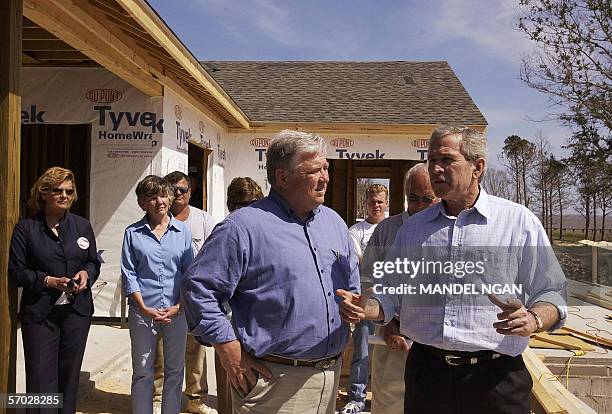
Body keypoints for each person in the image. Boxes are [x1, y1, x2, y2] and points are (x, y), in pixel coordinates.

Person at [338, 126, 567, 414]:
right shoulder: (414, 230)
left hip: (496, 379)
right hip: (427, 376)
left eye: (446, 160)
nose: (435, 168)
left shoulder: (517, 222)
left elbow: (552, 292)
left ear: (477, 167)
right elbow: (389, 294)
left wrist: (534, 318)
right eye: (432, 159)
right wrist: (366, 307)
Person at [181, 130, 360, 414]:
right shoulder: (242, 228)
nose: (325, 177)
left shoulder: (335, 223)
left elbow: (352, 283)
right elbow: (198, 289)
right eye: (314, 170)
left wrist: (354, 304)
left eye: (326, 168)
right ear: (283, 177)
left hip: (329, 378)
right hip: (273, 382)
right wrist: (228, 347)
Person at [9, 166, 100, 414]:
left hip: (76, 312)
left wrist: (86, 275)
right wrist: (48, 280)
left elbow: (92, 262)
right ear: (44, 192)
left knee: (68, 376)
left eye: (69, 191)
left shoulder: (82, 226)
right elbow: (17, 272)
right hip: (40, 313)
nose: (64, 196)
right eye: (58, 190)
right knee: (40, 378)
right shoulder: (25, 228)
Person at [363, 163, 438, 414]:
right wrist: (389, 325)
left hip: (436, 349)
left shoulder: (450, 230)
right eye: (412, 198)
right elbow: (368, 281)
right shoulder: (387, 230)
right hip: (392, 342)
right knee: (388, 406)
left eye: (427, 199)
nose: (418, 206)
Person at [121, 175, 193, 414]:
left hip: (176, 313)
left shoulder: (183, 231)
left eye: (163, 195)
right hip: (143, 314)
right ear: (142, 203)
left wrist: (180, 306)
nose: (159, 201)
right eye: (152, 197)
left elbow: (188, 272)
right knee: (143, 371)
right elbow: (129, 274)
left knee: (175, 371)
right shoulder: (132, 233)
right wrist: (143, 307)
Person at [152, 171, 217, 414]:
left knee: (196, 350)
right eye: (173, 189)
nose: (178, 194)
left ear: (190, 193)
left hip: (195, 298)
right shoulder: (155, 219)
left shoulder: (203, 220)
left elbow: (214, 255)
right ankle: (157, 399)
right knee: (159, 351)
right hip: (164, 296)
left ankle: (196, 400)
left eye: (183, 189)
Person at [341, 184, 388, 414]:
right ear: (365, 204)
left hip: (393, 299)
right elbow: (362, 261)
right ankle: (357, 398)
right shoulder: (356, 231)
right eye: (372, 202)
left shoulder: (395, 227)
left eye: (380, 201)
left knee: (393, 350)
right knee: (362, 348)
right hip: (366, 298)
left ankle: (385, 397)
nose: (376, 205)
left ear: (386, 203)